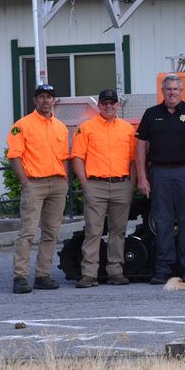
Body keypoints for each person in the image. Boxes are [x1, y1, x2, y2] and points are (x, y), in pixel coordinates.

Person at [136, 74, 185, 285]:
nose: (172, 93)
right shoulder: (151, 114)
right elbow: (140, 146)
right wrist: (142, 176)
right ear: (162, 90)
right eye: (168, 89)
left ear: (182, 91)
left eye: (176, 89)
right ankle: (163, 269)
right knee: (163, 222)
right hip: (160, 173)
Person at [7, 83, 70, 294]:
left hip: (57, 184)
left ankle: (43, 275)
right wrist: (25, 183)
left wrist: (66, 181)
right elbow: (14, 156)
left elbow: (65, 157)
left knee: (51, 233)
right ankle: (20, 277)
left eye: (49, 97)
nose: (45, 100)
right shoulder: (22, 125)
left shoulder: (60, 127)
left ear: (54, 100)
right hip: (34, 183)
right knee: (28, 232)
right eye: (41, 97)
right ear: (35, 100)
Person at [72, 89, 136, 288]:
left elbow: (134, 159)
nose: (109, 106)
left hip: (121, 185)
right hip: (95, 185)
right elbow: (77, 157)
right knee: (93, 230)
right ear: (98, 105)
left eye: (112, 103)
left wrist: (131, 183)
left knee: (119, 230)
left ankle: (115, 271)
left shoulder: (127, 129)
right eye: (105, 103)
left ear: (118, 105)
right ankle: (89, 274)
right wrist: (85, 184)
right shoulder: (86, 128)